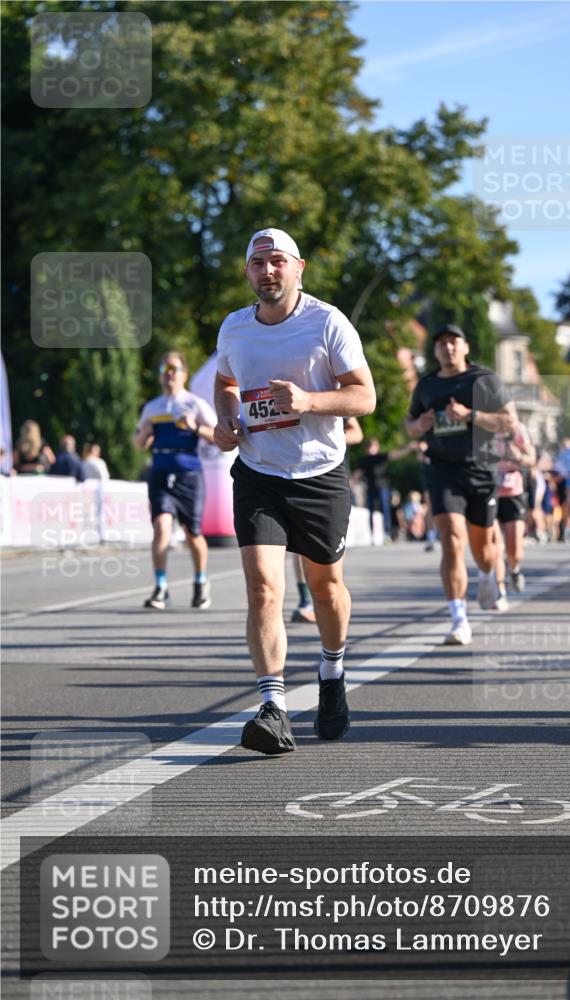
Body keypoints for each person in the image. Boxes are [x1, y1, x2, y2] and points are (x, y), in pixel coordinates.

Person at [213, 227, 375, 755]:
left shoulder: (327, 322)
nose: (268, 271)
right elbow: (225, 382)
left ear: (298, 267)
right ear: (248, 272)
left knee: (325, 589)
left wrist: (308, 402)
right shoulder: (235, 329)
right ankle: (274, 706)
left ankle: (332, 671)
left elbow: (365, 397)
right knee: (263, 587)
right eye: (258, 263)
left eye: (277, 261)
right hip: (259, 473)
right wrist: (226, 420)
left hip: (319, 474)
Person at [405, 324, 517, 646]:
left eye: (454, 342)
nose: (447, 348)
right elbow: (410, 425)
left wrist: (470, 415)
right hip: (441, 470)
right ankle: (458, 619)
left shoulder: (483, 380)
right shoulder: (425, 386)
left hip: (481, 468)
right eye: (441, 343)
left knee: (483, 548)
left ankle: (486, 575)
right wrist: (419, 425)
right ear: (435, 350)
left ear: (465, 347)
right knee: (452, 539)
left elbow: (508, 420)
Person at [134, 351, 217, 610]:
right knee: (161, 528)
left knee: (193, 534)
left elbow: (218, 435)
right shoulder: (153, 407)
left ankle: (201, 582)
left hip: (189, 474)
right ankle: (161, 587)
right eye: (164, 370)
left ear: (184, 374)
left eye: (174, 369)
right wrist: (145, 433)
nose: (169, 374)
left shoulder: (194, 404)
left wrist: (195, 427)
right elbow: (139, 444)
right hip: (159, 471)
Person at [290, 416, 363, 624]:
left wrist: (323, 436)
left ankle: (332, 593)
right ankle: (305, 600)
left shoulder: (326, 386)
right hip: (292, 473)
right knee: (298, 544)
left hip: (329, 474)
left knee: (329, 549)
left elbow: (357, 433)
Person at [493, 421, 536, 591]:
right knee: (495, 545)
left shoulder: (517, 429)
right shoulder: (481, 427)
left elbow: (531, 458)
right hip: (489, 491)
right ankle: (499, 588)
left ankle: (514, 569)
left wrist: (518, 456)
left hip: (513, 492)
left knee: (515, 549)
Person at [355, 437, 417, 541]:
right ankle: (371, 535)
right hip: (370, 488)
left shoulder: (380, 457)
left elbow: (395, 455)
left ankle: (387, 533)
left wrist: (408, 448)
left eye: (373, 447)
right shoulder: (364, 460)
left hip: (382, 487)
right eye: (369, 447)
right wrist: (351, 482)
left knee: (385, 509)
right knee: (370, 511)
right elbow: (357, 473)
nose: (371, 449)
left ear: (377, 447)